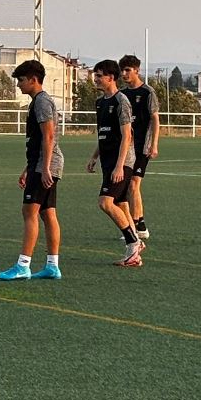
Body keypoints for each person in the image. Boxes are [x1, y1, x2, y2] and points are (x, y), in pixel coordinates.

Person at [0, 60, 63, 280]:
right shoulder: (38, 102)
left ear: (34, 80)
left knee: (29, 212)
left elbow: (49, 136)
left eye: (21, 80)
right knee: (47, 212)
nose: (18, 85)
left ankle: (23, 265)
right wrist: (28, 168)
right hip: (42, 164)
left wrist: (43, 168)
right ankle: (52, 266)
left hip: (45, 165)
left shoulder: (42, 102)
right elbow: (38, 140)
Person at [86, 59, 144, 267]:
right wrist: (95, 156)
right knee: (119, 203)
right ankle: (134, 248)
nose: (96, 78)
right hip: (108, 160)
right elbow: (103, 134)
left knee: (105, 202)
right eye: (95, 74)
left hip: (123, 161)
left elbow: (126, 135)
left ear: (111, 77)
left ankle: (133, 243)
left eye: (99, 75)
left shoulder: (122, 101)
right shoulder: (100, 102)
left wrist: (120, 165)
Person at [119, 55, 160, 239]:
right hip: (127, 147)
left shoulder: (147, 92)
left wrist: (154, 144)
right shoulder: (122, 95)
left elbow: (155, 119)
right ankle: (140, 225)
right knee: (129, 186)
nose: (124, 73)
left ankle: (134, 228)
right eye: (123, 70)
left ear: (137, 70)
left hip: (142, 146)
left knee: (134, 184)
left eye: (128, 70)